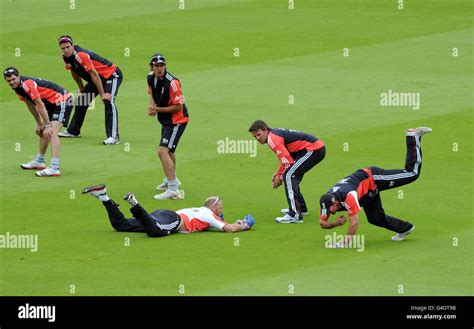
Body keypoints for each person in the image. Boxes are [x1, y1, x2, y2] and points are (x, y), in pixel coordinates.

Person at [319, 127, 432, 246]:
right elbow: (322, 223)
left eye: (333, 208)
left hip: (373, 178)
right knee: (374, 218)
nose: (333, 212)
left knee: (412, 174)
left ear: (335, 201)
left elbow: (354, 223)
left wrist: (341, 244)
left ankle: (413, 137)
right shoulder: (326, 201)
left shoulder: (349, 196)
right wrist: (335, 224)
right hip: (366, 193)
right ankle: (405, 229)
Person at [81, 184, 255, 237]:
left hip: (163, 215)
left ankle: (104, 197)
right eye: (221, 208)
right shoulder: (209, 214)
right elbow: (229, 228)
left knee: (122, 225)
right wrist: (245, 225)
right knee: (156, 232)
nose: (221, 212)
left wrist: (236, 222)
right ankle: (135, 203)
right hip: (173, 220)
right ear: (214, 206)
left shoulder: (202, 212)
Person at [249, 120, 326, 224]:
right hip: (308, 150)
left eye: (259, 134)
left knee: (289, 176)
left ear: (266, 130)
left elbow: (288, 163)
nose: (258, 138)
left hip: (313, 150)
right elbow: (287, 158)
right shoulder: (273, 135)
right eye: (255, 137)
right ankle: (301, 209)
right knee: (290, 175)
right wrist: (279, 173)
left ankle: (295, 215)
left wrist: (280, 177)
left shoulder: (273, 140)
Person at [4, 67, 73, 177]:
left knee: (52, 132)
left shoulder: (27, 84)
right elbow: (30, 104)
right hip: (51, 104)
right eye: (9, 81)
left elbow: (39, 104)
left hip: (63, 100)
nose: (12, 82)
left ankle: (55, 168)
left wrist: (48, 125)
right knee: (43, 131)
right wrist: (39, 123)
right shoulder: (17, 88)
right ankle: (39, 161)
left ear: (18, 76)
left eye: (13, 79)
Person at [57, 35, 123, 145]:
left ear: (72, 45)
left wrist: (102, 94)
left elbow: (94, 74)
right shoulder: (65, 57)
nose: (66, 50)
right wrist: (82, 88)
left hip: (111, 75)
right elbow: (74, 71)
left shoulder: (81, 55)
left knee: (108, 101)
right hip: (97, 79)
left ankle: (113, 137)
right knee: (82, 100)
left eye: (68, 47)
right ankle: (73, 131)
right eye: (63, 48)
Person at [147, 53, 189, 200]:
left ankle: (173, 189)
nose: (159, 68)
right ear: (151, 67)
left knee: (162, 151)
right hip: (166, 121)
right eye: (156, 66)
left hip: (177, 121)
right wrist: (152, 105)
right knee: (169, 151)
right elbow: (151, 92)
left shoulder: (173, 83)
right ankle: (172, 179)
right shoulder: (150, 77)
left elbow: (178, 107)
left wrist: (156, 109)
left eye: (162, 65)